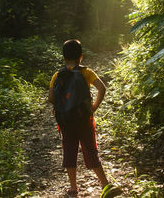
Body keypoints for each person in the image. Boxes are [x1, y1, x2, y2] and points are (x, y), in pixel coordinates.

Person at [48, 39, 122, 198]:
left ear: (63, 57)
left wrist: (65, 105)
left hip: (66, 122)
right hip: (85, 119)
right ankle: (105, 185)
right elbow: (102, 88)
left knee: (69, 151)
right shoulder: (86, 72)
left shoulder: (57, 75)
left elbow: (51, 98)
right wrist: (93, 107)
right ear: (81, 56)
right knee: (90, 149)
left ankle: (73, 189)